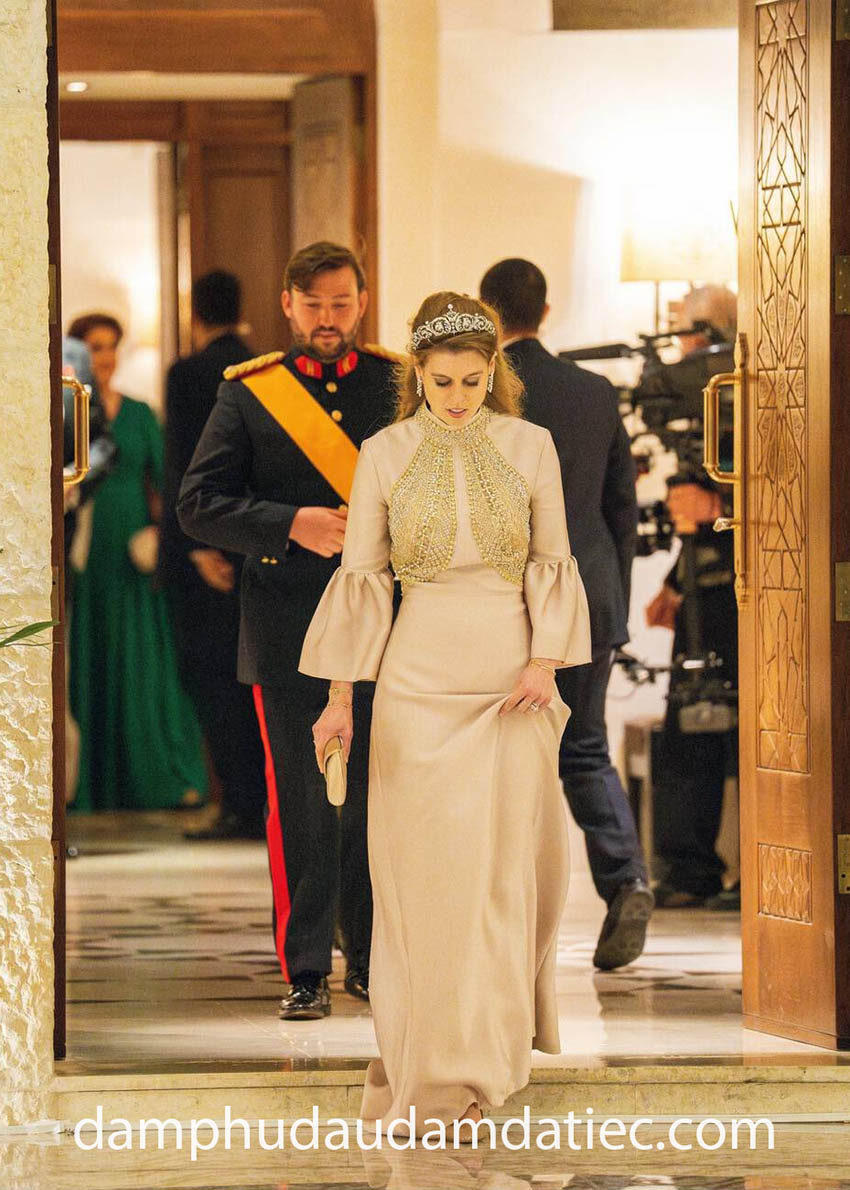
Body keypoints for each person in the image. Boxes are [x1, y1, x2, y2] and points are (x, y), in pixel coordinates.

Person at [300, 292, 591, 1133]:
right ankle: (427, 1070)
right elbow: (363, 581)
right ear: (417, 378)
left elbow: (552, 560)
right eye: (441, 381)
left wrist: (543, 663)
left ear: (493, 372)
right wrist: (339, 701)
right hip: (415, 691)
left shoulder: (531, 444)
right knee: (422, 889)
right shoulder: (383, 452)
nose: (458, 396)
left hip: (512, 688)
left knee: (495, 883)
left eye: (472, 380)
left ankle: (478, 1069)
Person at [177, 242, 396, 1016]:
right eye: (313, 306)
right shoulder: (250, 392)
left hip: (386, 627)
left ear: (361, 303)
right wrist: (288, 524)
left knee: (375, 799)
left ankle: (370, 958)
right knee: (301, 803)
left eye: (340, 304)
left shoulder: (396, 385)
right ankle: (306, 969)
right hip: (287, 626)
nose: (327, 319)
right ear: (287, 306)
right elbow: (198, 504)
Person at [480, 258, 653, 970]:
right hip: (591, 591)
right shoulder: (594, 391)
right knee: (583, 748)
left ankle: (507, 909)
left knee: (499, 757)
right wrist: (615, 599)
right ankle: (627, 880)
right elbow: (622, 507)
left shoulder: (483, 393)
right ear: (545, 312)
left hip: (509, 599)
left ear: (487, 313)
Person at [66, 313, 207, 812]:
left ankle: (152, 777)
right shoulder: (65, 409)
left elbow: (167, 484)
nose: (103, 357)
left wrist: (162, 540)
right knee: (88, 658)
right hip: (84, 549)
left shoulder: (141, 413)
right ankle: (91, 782)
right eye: (93, 347)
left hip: (131, 549)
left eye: (110, 346)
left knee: (140, 662)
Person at [159, 271, 266, 840]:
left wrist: (199, 546)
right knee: (249, 680)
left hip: (202, 548)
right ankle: (259, 803)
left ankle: (238, 805)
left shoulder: (188, 373)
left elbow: (185, 461)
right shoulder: (261, 369)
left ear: (194, 313)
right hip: (250, 546)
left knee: (210, 679)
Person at [645, 285, 739, 909]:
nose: (682, 349)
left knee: (749, 725)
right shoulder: (696, 413)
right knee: (687, 720)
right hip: (702, 583)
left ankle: (765, 864)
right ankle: (687, 869)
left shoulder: (757, 398)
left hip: (756, 590)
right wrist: (674, 583)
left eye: (690, 334)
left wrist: (721, 502)